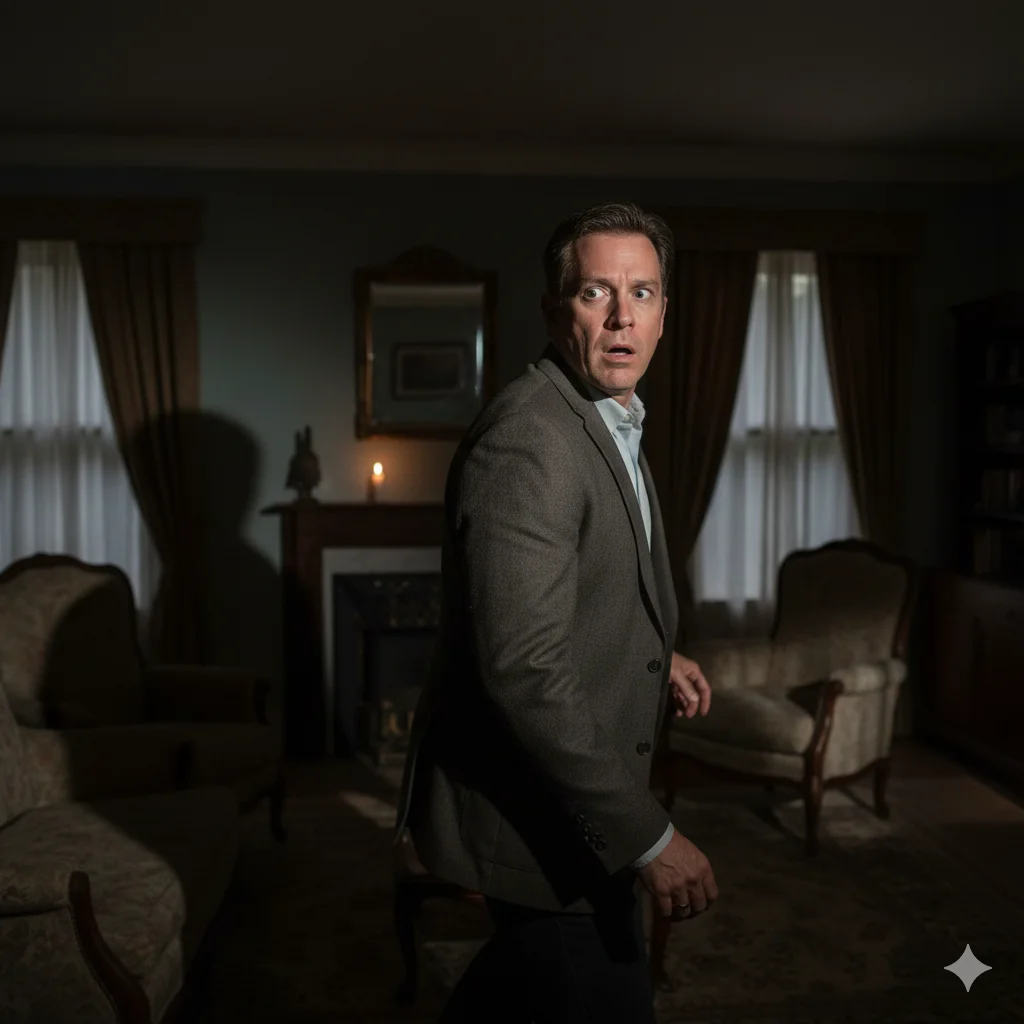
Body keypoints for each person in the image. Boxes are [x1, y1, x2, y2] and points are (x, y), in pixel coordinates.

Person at [394, 201, 719, 1023]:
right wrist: (651, 837)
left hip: (567, 806)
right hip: (538, 817)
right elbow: (524, 666)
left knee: (534, 988)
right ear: (553, 309)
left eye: (642, 293)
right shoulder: (530, 439)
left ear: (665, 310)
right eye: (595, 293)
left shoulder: (607, 417)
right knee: (602, 996)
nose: (621, 318)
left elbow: (585, 586)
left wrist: (656, 651)